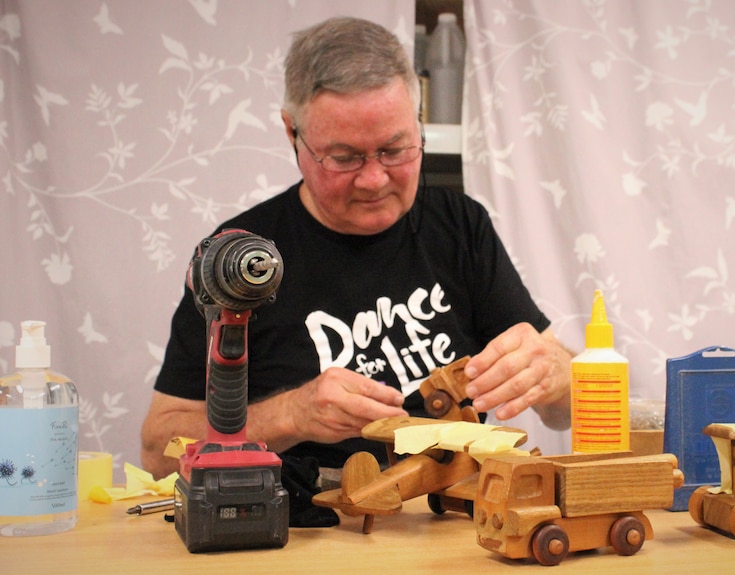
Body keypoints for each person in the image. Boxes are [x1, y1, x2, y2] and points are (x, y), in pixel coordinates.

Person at [141, 16, 572, 481]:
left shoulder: (460, 225)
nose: (373, 179)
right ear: (292, 134)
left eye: (395, 150)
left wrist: (556, 374)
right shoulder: (238, 259)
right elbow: (159, 450)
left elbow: (564, 411)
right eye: (344, 158)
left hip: (453, 523)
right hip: (301, 527)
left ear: (418, 122)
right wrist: (290, 414)